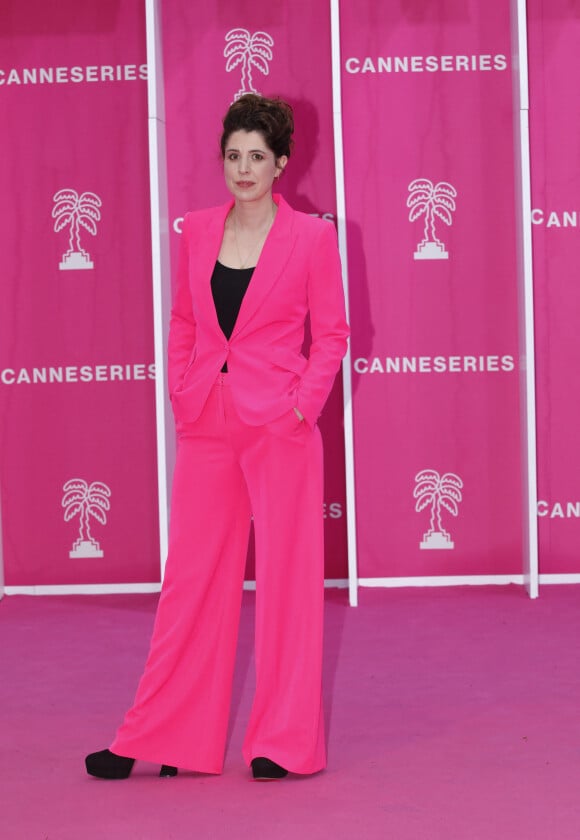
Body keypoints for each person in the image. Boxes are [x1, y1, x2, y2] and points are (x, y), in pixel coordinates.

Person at [85, 93, 349, 781]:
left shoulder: (314, 238)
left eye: (257, 156)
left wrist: (301, 408)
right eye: (233, 155)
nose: (243, 168)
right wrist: (180, 391)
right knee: (191, 582)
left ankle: (282, 745)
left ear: (282, 162)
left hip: (279, 426)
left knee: (290, 586)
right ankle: (162, 738)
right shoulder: (198, 231)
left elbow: (334, 335)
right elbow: (183, 321)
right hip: (207, 421)